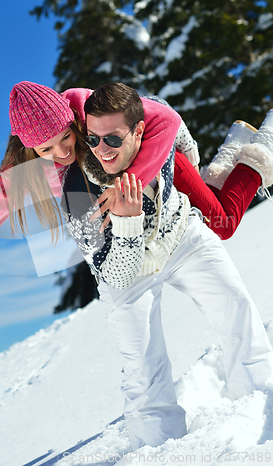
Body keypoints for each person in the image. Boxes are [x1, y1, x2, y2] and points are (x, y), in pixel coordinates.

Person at [59, 82, 273, 450]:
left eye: (112, 140)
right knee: (144, 372)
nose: (101, 150)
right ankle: (160, 451)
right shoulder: (77, 190)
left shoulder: (158, 135)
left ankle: (261, 402)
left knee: (235, 307)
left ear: (140, 131)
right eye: (93, 140)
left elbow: (175, 129)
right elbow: (116, 274)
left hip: (178, 234)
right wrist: (126, 223)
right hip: (126, 273)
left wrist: (191, 160)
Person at [0, 81, 271, 280]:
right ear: (28, 147)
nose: (61, 151)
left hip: (161, 158)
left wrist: (128, 183)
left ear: (71, 120)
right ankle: (235, 148)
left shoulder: (86, 106)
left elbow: (165, 119)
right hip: (148, 194)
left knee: (222, 223)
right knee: (216, 212)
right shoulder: (19, 176)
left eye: (65, 137)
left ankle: (264, 147)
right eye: (46, 148)